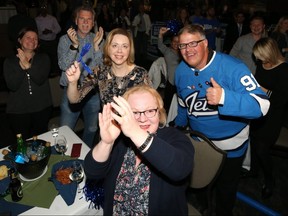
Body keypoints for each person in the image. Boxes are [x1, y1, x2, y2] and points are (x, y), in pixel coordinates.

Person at [174, 24, 270, 215]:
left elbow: (262, 105)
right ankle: (203, 207)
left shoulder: (233, 67)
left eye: (193, 43)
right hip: (199, 141)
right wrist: (179, 124)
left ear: (206, 42)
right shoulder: (180, 71)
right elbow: (183, 102)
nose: (187, 50)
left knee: (226, 190)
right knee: (199, 182)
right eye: (182, 46)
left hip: (230, 148)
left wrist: (225, 98)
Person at [83, 84, 194, 215]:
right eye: (134, 112)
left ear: (159, 112)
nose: (142, 118)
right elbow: (92, 172)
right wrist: (107, 142)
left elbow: (180, 169)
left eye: (150, 111)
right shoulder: (121, 141)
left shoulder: (175, 138)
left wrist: (135, 132)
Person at [66, 27, 151, 106]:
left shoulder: (141, 74)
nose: (119, 51)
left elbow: (152, 105)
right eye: (114, 45)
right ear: (107, 48)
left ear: (130, 50)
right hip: (107, 122)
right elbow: (74, 99)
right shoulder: (99, 71)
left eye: (124, 46)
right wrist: (73, 83)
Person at [57, 5, 104, 148]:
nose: (85, 22)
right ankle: (63, 160)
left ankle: (85, 155)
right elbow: (64, 66)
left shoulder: (97, 39)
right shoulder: (65, 40)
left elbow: (99, 69)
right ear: (76, 21)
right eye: (82, 19)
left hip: (91, 92)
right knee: (65, 131)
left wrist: (96, 47)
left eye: (89, 19)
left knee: (92, 129)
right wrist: (74, 46)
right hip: (71, 91)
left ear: (93, 22)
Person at [250, 37, 288, 199]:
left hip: (274, 115)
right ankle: (253, 171)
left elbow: (282, 100)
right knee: (253, 142)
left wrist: (263, 90)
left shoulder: (284, 69)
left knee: (262, 148)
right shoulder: (261, 64)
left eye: (260, 55)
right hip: (258, 111)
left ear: (270, 53)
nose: (257, 59)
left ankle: (270, 179)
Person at [3, 27, 52, 141]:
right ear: (20, 40)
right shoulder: (9, 61)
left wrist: (28, 65)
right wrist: (22, 65)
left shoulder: (43, 58)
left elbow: (39, 79)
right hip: (18, 110)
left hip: (41, 108)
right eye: (28, 37)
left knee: (41, 141)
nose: (32, 40)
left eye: (35, 38)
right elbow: (12, 85)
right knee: (22, 143)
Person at [157, 27, 181, 112]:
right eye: (174, 41)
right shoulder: (167, 51)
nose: (176, 43)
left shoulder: (184, 53)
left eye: (178, 42)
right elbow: (160, 45)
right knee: (168, 105)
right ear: (171, 42)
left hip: (182, 83)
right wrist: (160, 34)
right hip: (171, 83)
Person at [35, 3, 61, 76]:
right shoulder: (37, 19)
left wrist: (51, 31)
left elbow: (58, 29)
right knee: (43, 59)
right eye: (42, 8)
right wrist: (42, 32)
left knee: (53, 58)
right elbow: (35, 31)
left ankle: (55, 73)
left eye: (45, 7)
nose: (43, 9)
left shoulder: (52, 18)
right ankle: (45, 73)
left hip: (52, 41)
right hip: (42, 42)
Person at [132, 3, 151, 67]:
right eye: (140, 8)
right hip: (138, 33)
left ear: (143, 8)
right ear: (139, 9)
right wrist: (137, 24)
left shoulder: (147, 16)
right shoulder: (137, 16)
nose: (141, 9)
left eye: (142, 7)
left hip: (144, 33)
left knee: (144, 47)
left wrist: (146, 33)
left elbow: (149, 25)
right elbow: (133, 24)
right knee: (137, 47)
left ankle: (145, 63)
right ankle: (137, 62)